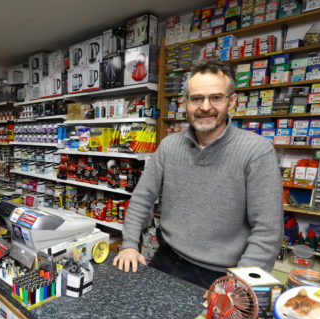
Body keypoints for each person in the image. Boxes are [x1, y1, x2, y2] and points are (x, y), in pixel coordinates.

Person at [113, 59, 283, 288]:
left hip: (223, 274)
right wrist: (130, 245)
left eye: (216, 97)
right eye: (196, 98)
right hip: (167, 259)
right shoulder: (169, 145)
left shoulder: (257, 151)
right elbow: (142, 198)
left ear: (231, 101)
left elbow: (267, 230)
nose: (205, 107)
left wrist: (238, 284)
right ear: (185, 103)